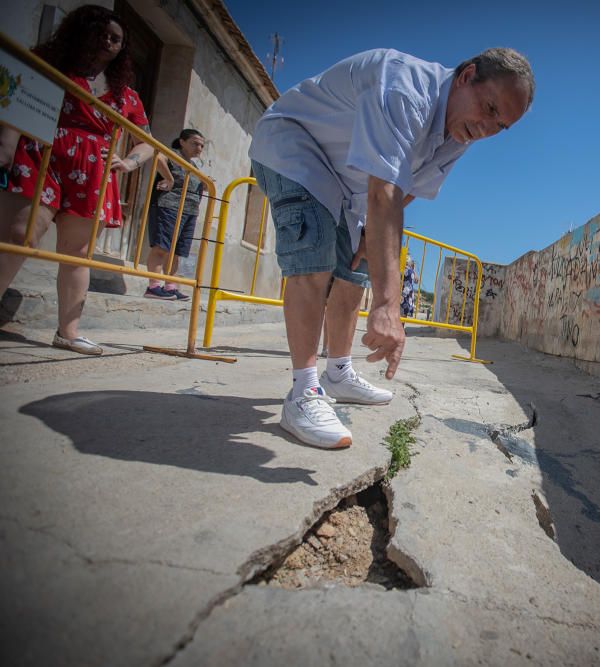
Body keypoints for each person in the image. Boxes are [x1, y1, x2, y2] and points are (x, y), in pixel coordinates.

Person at [249, 47, 534, 449]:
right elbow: (383, 193)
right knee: (312, 263)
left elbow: (408, 190)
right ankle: (303, 392)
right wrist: (388, 304)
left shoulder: (460, 134)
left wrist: (369, 237)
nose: (486, 129)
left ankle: (338, 371)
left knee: (354, 270)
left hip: (348, 185)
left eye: (500, 126)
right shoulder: (405, 89)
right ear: (467, 76)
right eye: (489, 109)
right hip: (295, 147)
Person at [0, 5, 155, 355]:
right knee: (18, 235)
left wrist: (128, 163)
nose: (108, 42)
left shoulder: (126, 94)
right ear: (80, 32)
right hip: (41, 154)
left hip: (94, 171)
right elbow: (15, 98)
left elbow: (147, 141)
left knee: (77, 254)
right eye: (101, 34)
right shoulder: (49, 64)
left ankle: (68, 333)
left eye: (116, 38)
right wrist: (6, 145)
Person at [143, 129, 207, 301]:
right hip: (169, 206)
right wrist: (169, 179)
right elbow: (157, 158)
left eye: (202, 145)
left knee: (177, 251)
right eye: (195, 143)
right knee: (162, 247)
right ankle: (153, 286)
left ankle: (170, 286)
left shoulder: (193, 166)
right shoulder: (172, 155)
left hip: (189, 211)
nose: (199, 148)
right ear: (182, 142)